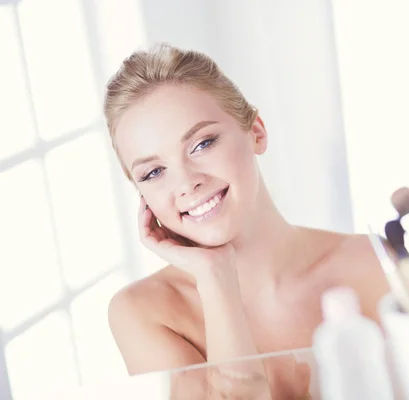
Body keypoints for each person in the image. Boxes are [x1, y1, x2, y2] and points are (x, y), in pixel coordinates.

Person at [104, 43, 391, 398]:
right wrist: (215, 280)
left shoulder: (378, 262)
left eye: (202, 144)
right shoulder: (145, 312)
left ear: (256, 132)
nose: (186, 182)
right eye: (154, 172)